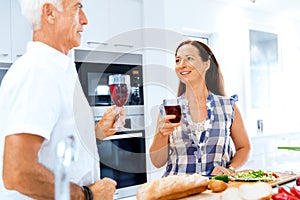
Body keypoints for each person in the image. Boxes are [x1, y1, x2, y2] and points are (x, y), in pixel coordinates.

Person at [0, 0, 125, 199]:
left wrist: (96, 133)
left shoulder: (59, 70)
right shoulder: (37, 72)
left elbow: (56, 145)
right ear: (49, 12)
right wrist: (88, 195)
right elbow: (18, 173)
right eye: (77, 8)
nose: (85, 20)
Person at [149, 40, 251, 177]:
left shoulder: (228, 106)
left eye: (189, 58)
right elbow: (157, 162)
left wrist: (230, 169)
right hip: (179, 191)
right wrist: (161, 135)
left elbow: (244, 148)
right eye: (178, 60)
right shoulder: (169, 109)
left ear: (206, 64)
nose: (182, 65)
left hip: (216, 190)